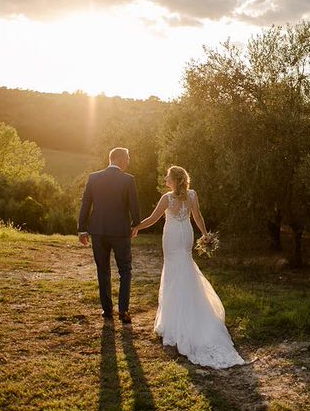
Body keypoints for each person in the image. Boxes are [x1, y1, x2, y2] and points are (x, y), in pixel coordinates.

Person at [133, 166, 246, 369]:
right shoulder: (192, 195)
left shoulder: (166, 198)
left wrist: (135, 227)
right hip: (186, 235)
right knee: (185, 268)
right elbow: (198, 217)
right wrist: (205, 235)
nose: (165, 178)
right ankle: (191, 311)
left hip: (172, 237)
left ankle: (175, 321)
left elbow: (152, 219)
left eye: (168, 176)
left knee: (173, 273)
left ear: (174, 180)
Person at [78, 147, 140, 324]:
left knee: (102, 270)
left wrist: (82, 229)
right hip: (121, 231)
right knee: (125, 270)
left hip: (98, 231)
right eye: (127, 158)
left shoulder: (94, 178)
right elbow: (134, 206)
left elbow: (85, 205)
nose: (128, 161)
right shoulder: (128, 180)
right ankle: (124, 310)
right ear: (120, 160)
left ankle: (107, 311)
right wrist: (136, 224)